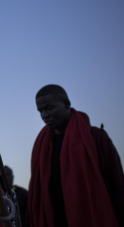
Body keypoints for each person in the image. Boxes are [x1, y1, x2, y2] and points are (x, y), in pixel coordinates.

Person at [28, 84, 124, 227]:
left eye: (49, 108)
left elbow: (117, 188)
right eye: (40, 111)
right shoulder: (41, 147)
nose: (44, 115)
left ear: (67, 104)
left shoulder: (96, 139)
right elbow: (36, 198)